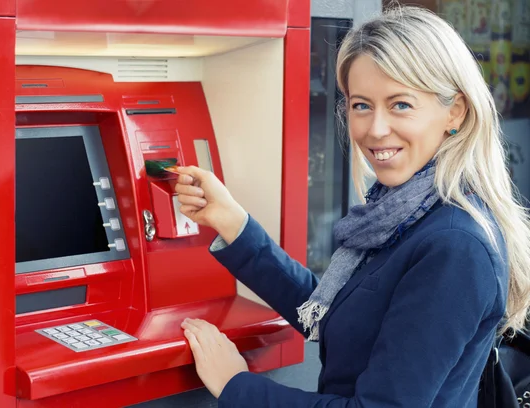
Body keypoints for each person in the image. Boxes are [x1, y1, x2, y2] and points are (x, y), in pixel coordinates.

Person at [175, 5, 530, 408]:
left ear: (455, 111)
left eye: (400, 104)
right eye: (362, 105)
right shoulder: (405, 211)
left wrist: (237, 385)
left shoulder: (453, 244)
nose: (375, 129)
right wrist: (233, 223)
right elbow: (334, 312)